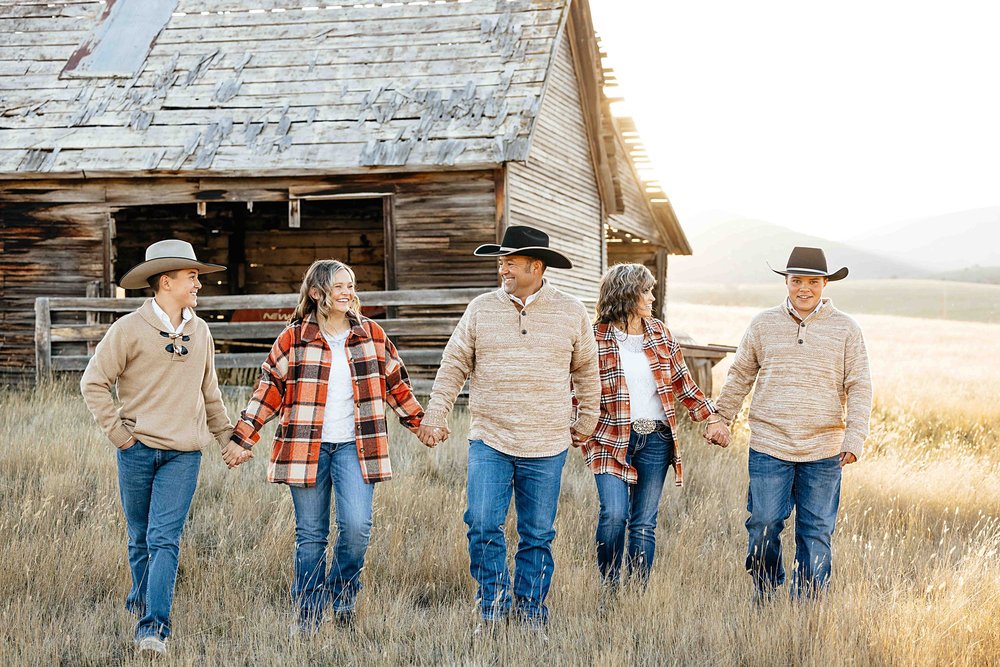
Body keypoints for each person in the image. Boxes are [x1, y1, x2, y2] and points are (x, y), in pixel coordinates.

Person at [222, 259, 430, 634]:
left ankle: (343, 593)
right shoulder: (293, 338)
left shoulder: (373, 335)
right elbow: (268, 391)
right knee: (311, 537)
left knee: (356, 528)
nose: (347, 292)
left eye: (350, 285)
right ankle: (308, 615)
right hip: (307, 447)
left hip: (355, 445)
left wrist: (421, 424)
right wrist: (242, 438)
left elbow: (397, 386)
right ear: (317, 293)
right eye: (338, 286)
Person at [416, 225, 601, 629]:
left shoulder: (571, 311)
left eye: (510, 263)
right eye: (500, 262)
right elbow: (454, 364)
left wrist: (587, 419)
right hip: (491, 438)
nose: (502, 269)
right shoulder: (481, 308)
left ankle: (531, 610)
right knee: (482, 524)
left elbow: (587, 369)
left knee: (537, 534)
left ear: (536, 266)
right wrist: (436, 414)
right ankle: (492, 604)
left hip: (546, 441)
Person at [81, 239, 233, 655]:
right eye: (192, 276)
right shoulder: (128, 330)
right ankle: (139, 600)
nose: (199, 283)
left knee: (164, 538)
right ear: (166, 282)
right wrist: (121, 436)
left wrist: (227, 439)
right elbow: (92, 383)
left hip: (183, 454)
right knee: (139, 537)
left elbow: (210, 393)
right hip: (137, 450)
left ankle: (154, 628)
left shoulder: (201, 331)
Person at [708, 246, 872, 602]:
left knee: (816, 532)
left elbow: (859, 385)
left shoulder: (846, 329)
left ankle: (806, 608)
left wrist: (854, 437)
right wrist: (721, 417)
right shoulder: (763, 324)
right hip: (770, 445)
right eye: (797, 280)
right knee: (763, 524)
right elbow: (739, 375)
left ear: (825, 283)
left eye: (812, 281)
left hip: (824, 450)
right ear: (787, 282)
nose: (804, 289)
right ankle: (765, 593)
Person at [582, 263, 729, 592]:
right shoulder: (594, 336)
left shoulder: (660, 333)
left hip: (656, 441)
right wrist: (577, 425)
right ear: (626, 293)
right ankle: (609, 586)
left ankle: (635, 595)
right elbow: (576, 388)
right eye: (646, 290)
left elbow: (683, 384)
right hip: (609, 438)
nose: (652, 296)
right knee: (614, 515)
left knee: (644, 524)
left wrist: (712, 417)